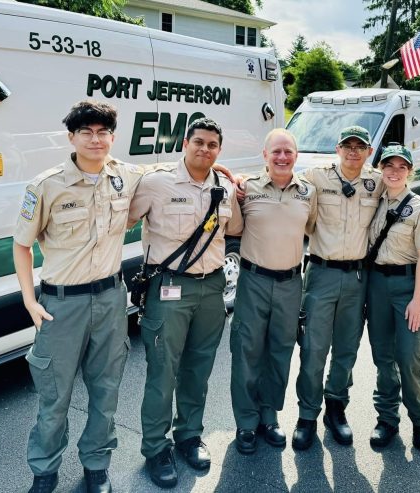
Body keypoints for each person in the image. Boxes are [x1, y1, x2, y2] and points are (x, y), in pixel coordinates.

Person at [14, 100, 142, 493]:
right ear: (71, 137)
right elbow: (21, 245)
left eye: (103, 132)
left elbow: (174, 174)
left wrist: (224, 172)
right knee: (54, 398)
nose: (95, 139)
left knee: (106, 391)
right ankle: (45, 472)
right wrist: (29, 300)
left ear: (112, 138)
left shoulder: (126, 176)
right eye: (86, 132)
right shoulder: (45, 185)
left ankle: (96, 466)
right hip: (61, 305)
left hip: (110, 300)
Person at [128, 117, 243, 489]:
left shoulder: (223, 186)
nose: (205, 149)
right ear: (185, 143)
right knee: (163, 371)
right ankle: (155, 448)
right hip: (168, 288)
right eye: (199, 142)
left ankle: (189, 435)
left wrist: (237, 185)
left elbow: (236, 229)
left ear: (219, 150)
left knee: (198, 368)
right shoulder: (156, 182)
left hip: (211, 288)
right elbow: (122, 218)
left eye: (212, 144)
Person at [291, 126, 384, 450]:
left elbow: (403, 195)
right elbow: (280, 178)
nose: (353, 151)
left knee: (346, 350)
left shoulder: (377, 182)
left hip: (357, 278)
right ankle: (306, 417)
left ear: (369, 152)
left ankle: (335, 408)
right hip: (321, 273)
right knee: (314, 350)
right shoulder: (316, 177)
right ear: (338, 148)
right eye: (348, 146)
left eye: (360, 146)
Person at [230, 129, 317, 455]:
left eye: (288, 152)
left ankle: (269, 415)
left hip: (291, 283)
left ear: (296, 155)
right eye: (276, 152)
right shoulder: (247, 189)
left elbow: (318, 226)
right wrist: (233, 183)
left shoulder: (308, 192)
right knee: (247, 352)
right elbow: (234, 228)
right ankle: (247, 421)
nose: (282, 157)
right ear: (264, 155)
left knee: (280, 353)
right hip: (253, 281)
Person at [366, 144, 420, 451]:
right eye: (389, 166)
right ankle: (387, 420)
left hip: (408, 288)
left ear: (410, 172)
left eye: (401, 167)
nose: (394, 172)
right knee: (383, 358)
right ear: (381, 169)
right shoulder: (373, 200)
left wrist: (417, 300)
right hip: (377, 286)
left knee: (409, 358)